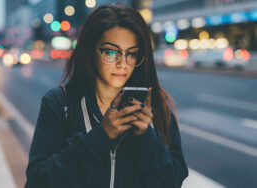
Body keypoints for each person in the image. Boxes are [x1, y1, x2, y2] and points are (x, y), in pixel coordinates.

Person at [25, 2, 188, 188]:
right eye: (111, 52)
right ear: (89, 50)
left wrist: (147, 139)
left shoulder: (157, 108)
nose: (123, 63)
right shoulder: (60, 103)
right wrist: (101, 136)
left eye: (132, 53)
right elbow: (37, 181)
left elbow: (172, 182)